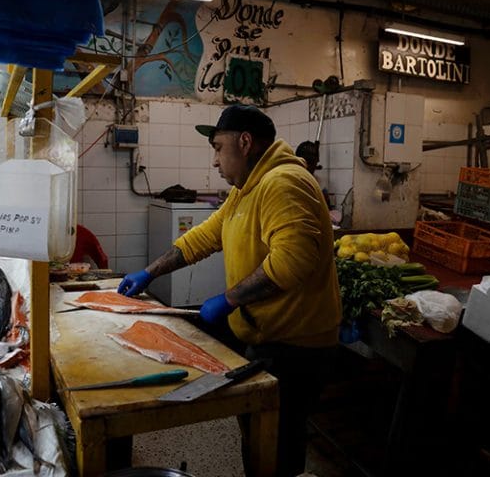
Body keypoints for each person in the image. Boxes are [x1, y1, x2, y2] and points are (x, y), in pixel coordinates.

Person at [118, 104, 341, 476]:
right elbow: (204, 237)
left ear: (245, 142)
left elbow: (293, 262)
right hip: (265, 331)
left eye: (218, 149)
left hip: (297, 345)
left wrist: (229, 298)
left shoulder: (283, 183)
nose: (215, 162)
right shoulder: (245, 189)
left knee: (277, 443)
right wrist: (150, 272)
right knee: (257, 433)